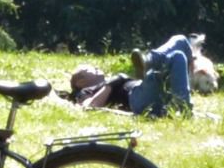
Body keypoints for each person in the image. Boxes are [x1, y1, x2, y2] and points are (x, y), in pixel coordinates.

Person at [70, 34, 212, 116]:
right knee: (177, 53)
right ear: (80, 82)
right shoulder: (85, 91)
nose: (95, 67)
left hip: (146, 91)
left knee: (179, 49)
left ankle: (182, 104)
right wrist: (111, 84)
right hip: (137, 99)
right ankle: (150, 61)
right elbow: (89, 107)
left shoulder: (106, 82)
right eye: (89, 69)